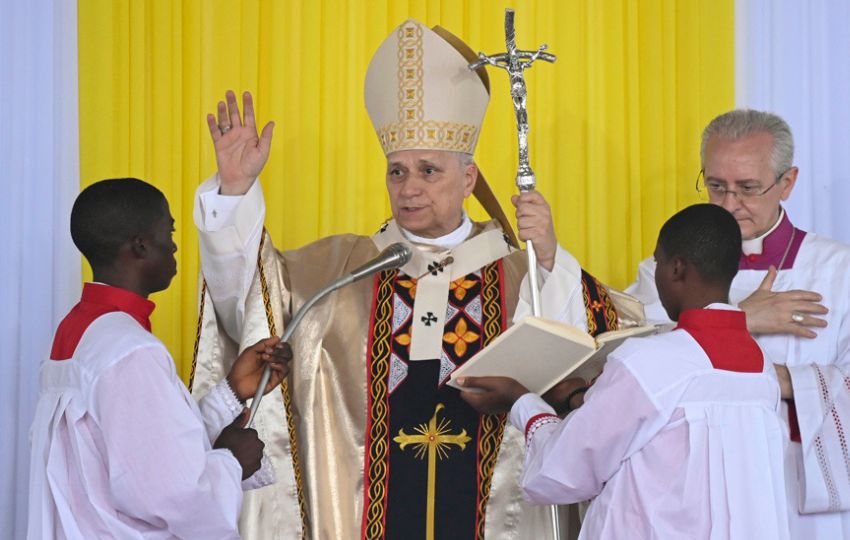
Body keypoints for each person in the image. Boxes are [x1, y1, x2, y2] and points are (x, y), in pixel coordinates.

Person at [190, 19, 628, 539]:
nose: (409, 188)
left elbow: (597, 364)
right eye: (397, 171)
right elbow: (248, 304)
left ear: (468, 179)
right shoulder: (335, 273)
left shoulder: (525, 273)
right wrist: (235, 192)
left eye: (428, 170)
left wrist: (550, 256)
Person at [458, 203, 790, 539]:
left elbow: (565, 470)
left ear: (677, 268)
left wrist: (521, 401)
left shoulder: (650, 360)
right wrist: (580, 398)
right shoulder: (760, 368)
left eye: (658, 262)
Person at [626, 110, 850, 537]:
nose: (729, 204)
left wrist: (786, 382)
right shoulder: (667, 269)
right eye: (716, 186)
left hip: (799, 493)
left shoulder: (839, 271)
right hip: (697, 489)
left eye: (747, 188)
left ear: (787, 182)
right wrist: (740, 319)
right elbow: (634, 365)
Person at [27, 178, 292, 539]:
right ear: (140, 245)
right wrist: (232, 461)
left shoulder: (78, 330)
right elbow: (175, 497)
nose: (174, 245)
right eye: (169, 232)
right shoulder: (130, 350)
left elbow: (142, 452)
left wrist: (232, 391)